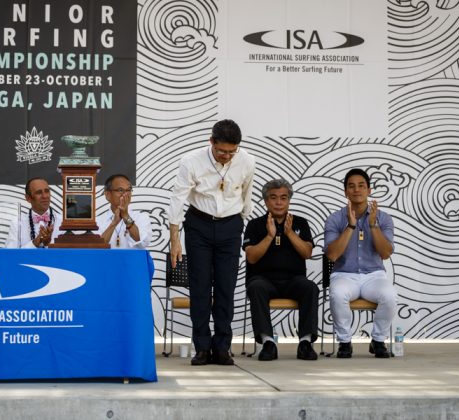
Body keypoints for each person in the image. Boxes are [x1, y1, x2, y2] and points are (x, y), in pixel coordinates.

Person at [169, 119, 256, 366]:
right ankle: (202, 348)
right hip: (199, 226)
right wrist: (175, 239)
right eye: (221, 151)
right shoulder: (191, 162)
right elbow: (178, 199)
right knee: (200, 288)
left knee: (226, 288)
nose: (227, 156)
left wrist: (241, 220)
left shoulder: (247, 160)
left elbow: (246, 192)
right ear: (211, 142)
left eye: (232, 151)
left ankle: (222, 348)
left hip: (230, 226)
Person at [324, 168, 397, 358]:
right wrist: (350, 225)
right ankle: (345, 342)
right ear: (345, 192)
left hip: (374, 276)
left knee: (389, 295)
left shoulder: (384, 218)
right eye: (351, 186)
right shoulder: (335, 219)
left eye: (361, 186)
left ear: (369, 190)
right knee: (338, 293)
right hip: (344, 274)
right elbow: (332, 255)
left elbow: (386, 253)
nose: (357, 190)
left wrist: (373, 225)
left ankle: (378, 340)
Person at [243, 179, 318, 361]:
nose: (278, 202)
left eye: (283, 198)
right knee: (256, 287)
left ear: (289, 201)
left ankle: (305, 343)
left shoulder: (300, 222)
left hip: (293, 280)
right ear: (266, 201)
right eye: (273, 198)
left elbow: (307, 253)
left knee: (310, 288)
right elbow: (251, 257)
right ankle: (268, 342)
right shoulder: (254, 225)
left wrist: (290, 233)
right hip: (263, 280)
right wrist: (269, 236)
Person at [95, 174, 152, 249]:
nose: (125, 194)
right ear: (107, 195)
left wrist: (126, 216)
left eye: (128, 190)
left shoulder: (141, 218)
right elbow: (97, 247)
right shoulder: (97, 221)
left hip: (132, 260)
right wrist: (113, 224)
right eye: (120, 190)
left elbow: (143, 242)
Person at [5, 177, 60, 248]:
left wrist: (48, 244)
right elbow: (10, 255)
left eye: (47, 191)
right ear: (28, 198)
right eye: (39, 192)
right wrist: (35, 242)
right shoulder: (17, 223)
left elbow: (70, 253)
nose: (44, 196)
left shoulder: (62, 221)